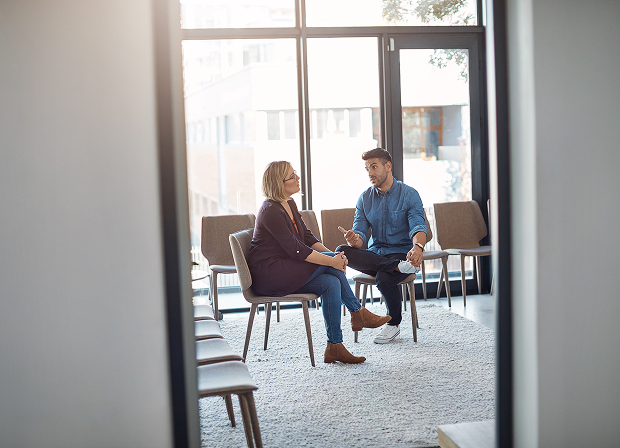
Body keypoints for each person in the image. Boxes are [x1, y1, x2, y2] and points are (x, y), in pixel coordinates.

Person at [247, 161, 391, 364]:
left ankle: (335, 346)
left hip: (287, 269)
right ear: (279, 183)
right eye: (292, 176)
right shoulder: (271, 210)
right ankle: (358, 313)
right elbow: (297, 250)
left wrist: (333, 255)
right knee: (331, 262)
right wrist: (333, 260)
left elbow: (307, 238)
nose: (297, 178)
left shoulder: (288, 203)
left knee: (331, 283)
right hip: (269, 274)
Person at [336, 148, 428, 344]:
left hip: (404, 253)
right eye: (367, 168)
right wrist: (354, 239)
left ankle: (393, 324)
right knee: (341, 250)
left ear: (388, 166)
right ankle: (395, 265)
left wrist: (418, 248)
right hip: (376, 255)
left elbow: (418, 226)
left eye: (374, 166)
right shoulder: (364, 198)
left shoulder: (409, 194)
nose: (370, 173)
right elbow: (360, 237)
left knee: (384, 277)